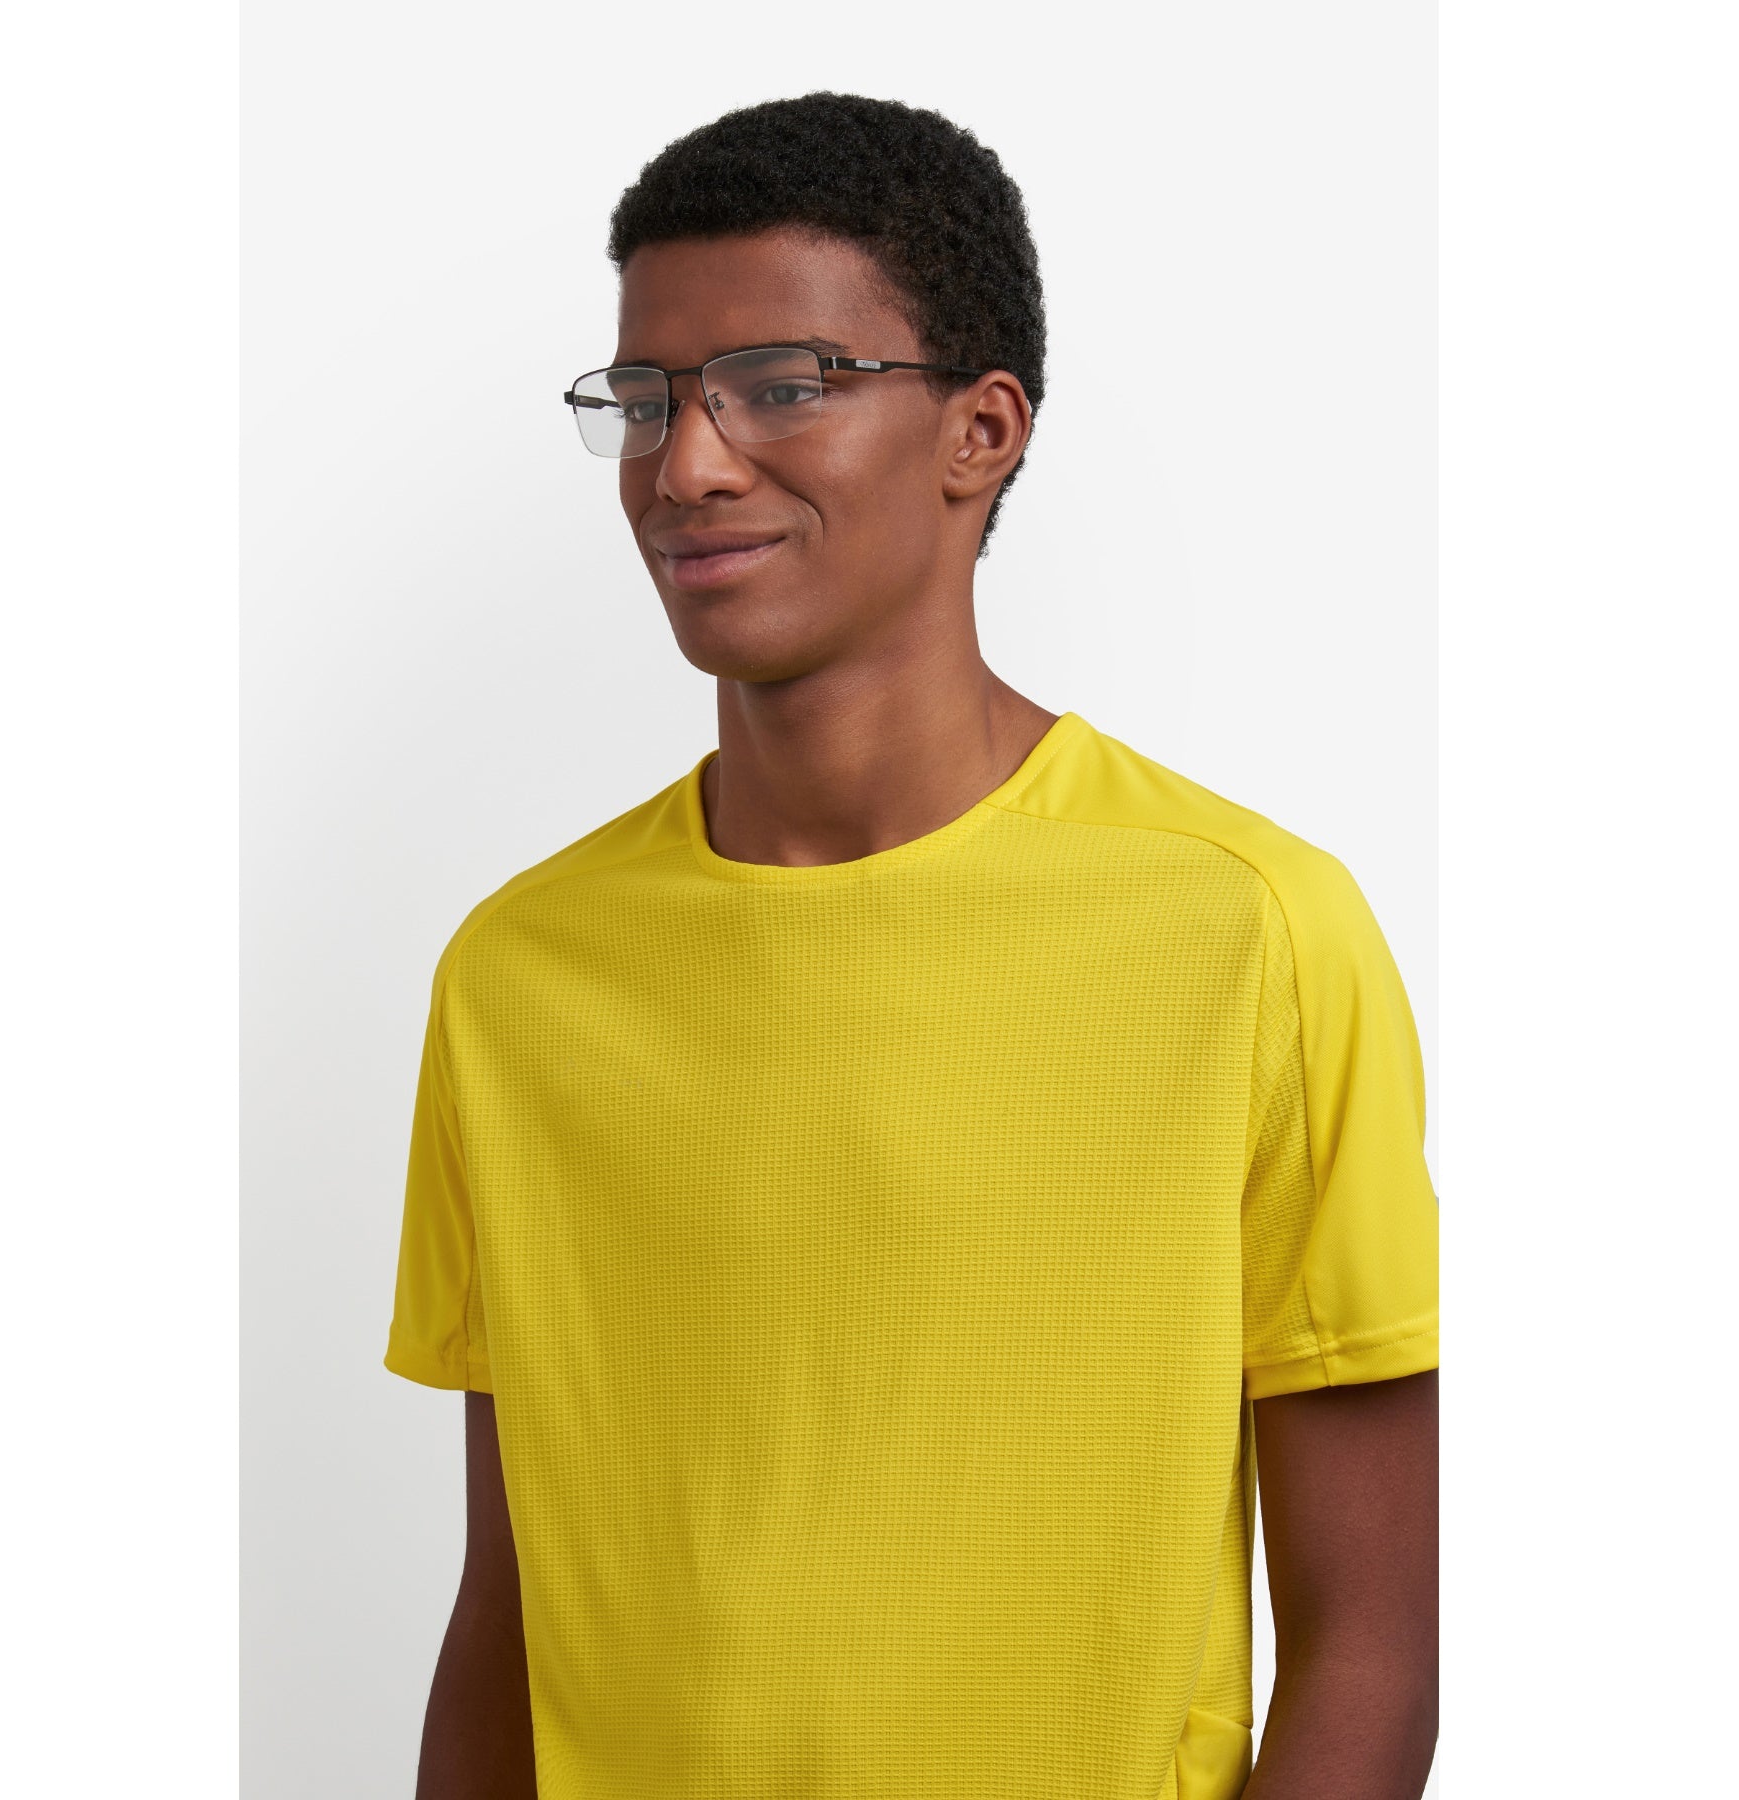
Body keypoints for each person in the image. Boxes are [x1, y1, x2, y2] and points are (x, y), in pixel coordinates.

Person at [383, 90, 1439, 1800]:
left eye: (782, 384)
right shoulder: (517, 977)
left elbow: (1371, 1650)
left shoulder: (1249, 930)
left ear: (981, 431)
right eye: (647, 399)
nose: (687, 463)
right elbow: (508, 1627)